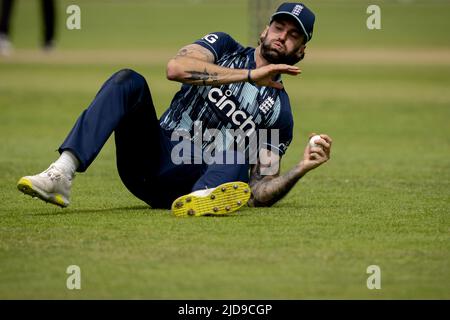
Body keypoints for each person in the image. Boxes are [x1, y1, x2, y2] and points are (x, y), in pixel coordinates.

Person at [17, 2, 332, 217]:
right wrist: (250, 76)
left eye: (293, 36)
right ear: (265, 30)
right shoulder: (224, 47)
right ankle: (62, 172)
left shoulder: (280, 114)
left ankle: (201, 201)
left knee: (238, 149)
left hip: (194, 180)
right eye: (279, 27)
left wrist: (300, 168)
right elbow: (176, 68)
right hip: (150, 156)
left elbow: (258, 189)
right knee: (128, 81)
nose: (282, 37)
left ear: (301, 51)